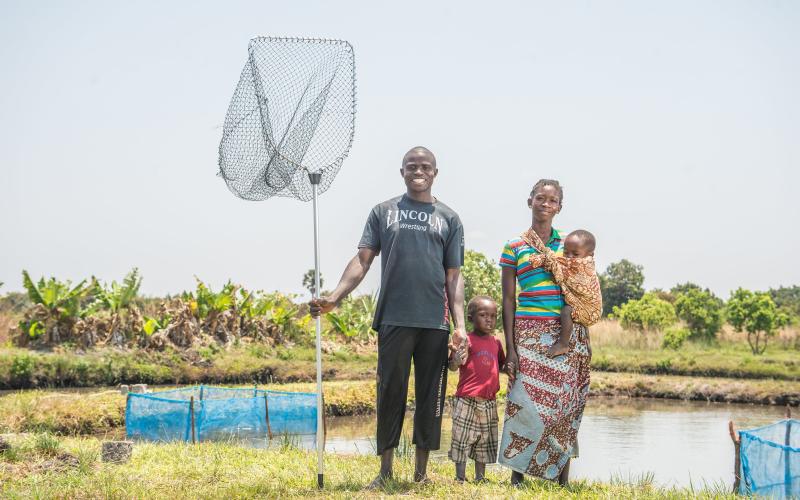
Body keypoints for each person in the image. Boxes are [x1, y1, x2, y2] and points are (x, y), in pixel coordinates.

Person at [309, 146, 466, 488]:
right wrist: (334, 297)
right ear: (402, 172)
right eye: (412, 166)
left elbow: (453, 276)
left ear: (435, 173)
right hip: (394, 317)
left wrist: (461, 327)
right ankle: (385, 472)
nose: (418, 171)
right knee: (390, 392)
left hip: (435, 322)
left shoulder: (449, 218)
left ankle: (422, 474)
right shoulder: (384, 211)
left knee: (430, 396)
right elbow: (363, 260)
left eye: (425, 166)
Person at [497, 179, 591, 486]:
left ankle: (562, 480)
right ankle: (517, 478)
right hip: (527, 332)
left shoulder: (569, 244)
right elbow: (508, 299)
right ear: (530, 201)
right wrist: (510, 347)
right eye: (540, 198)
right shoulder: (515, 246)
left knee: (564, 406)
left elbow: (583, 285)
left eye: (552, 201)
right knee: (524, 401)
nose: (545, 204)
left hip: (566, 333)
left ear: (559, 207)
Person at [448, 295, 505, 483]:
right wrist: (455, 357)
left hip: (489, 401)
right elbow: (453, 366)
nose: (489, 319)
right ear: (471, 318)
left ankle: (481, 477)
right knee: (462, 438)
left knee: (485, 440)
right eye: (483, 315)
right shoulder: (467, 341)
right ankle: (460, 477)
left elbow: (502, 366)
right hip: (467, 399)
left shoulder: (496, 343)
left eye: (493, 315)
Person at [524, 229, 602, 357]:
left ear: (590, 255)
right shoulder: (573, 261)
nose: (569, 257)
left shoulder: (583, 266)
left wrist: (548, 260)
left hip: (590, 308)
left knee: (566, 311)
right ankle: (586, 342)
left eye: (575, 254)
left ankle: (563, 344)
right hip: (585, 309)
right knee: (573, 311)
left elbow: (560, 270)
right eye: (566, 252)